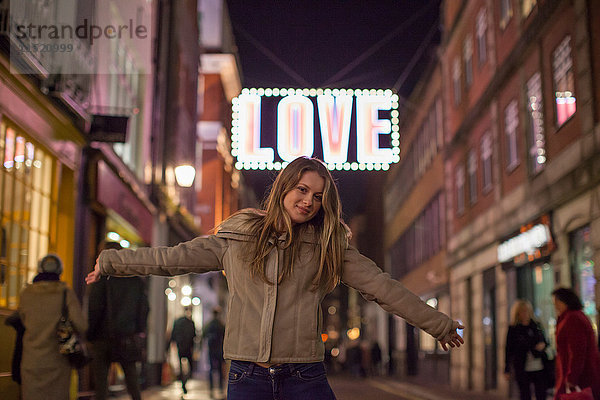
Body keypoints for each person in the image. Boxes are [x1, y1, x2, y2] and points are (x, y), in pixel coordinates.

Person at [86, 156, 465, 400]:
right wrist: (111, 261)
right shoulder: (238, 236)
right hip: (245, 377)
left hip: (305, 377)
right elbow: (172, 259)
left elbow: (383, 287)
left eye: (317, 196)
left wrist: (439, 324)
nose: (308, 201)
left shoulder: (328, 246)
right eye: (302, 190)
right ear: (284, 187)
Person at [19, 254, 87, 400]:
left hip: (31, 361)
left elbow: (22, 320)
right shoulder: (65, 292)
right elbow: (81, 325)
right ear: (59, 270)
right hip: (57, 361)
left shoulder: (26, 293)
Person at [87, 241, 148, 400]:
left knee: (101, 385)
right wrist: (138, 331)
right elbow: (144, 308)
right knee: (132, 382)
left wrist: (90, 334)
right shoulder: (135, 280)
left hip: (102, 337)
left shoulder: (101, 278)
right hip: (127, 336)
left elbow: (94, 308)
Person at [552, 288, 600, 400]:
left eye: (556, 302)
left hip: (580, 377)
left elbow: (577, 351)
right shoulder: (575, 316)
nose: (555, 306)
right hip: (581, 374)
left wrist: (571, 378)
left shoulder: (572, 319)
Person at [504, 299, 550, 400]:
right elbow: (508, 349)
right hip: (522, 365)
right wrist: (506, 368)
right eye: (522, 311)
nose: (525, 313)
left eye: (527, 310)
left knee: (541, 393)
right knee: (525, 394)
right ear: (517, 313)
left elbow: (546, 341)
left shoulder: (536, 325)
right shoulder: (514, 329)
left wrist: (543, 345)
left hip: (539, 365)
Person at [170, 307, 196, 394]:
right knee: (190, 365)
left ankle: (182, 381)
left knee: (181, 365)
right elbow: (194, 336)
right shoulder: (190, 323)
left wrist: (173, 343)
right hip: (188, 347)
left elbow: (173, 335)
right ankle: (185, 380)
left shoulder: (178, 322)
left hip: (180, 346)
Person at [202, 307, 226, 397]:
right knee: (220, 369)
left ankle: (211, 389)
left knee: (211, 370)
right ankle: (220, 388)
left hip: (211, 350)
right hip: (219, 350)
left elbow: (203, 336)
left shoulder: (209, 324)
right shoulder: (221, 324)